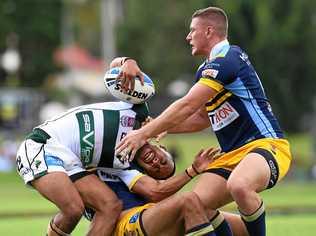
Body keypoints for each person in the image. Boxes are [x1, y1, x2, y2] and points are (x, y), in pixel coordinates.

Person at [116, 6, 292, 236]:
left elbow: (188, 104)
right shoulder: (205, 69)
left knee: (239, 185)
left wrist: (143, 133)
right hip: (230, 156)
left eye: (192, 31)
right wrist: (163, 127)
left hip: (265, 145)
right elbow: (201, 117)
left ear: (209, 31)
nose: (188, 37)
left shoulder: (229, 58)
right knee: (196, 205)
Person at [16, 99, 152, 236]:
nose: (155, 162)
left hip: (71, 159)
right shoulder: (136, 112)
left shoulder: (123, 158)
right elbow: (137, 93)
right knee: (73, 209)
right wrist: (154, 128)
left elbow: (154, 190)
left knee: (110, 206)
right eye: (163, 161)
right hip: (42, 145)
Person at [85, 147, 249, 236]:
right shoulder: (112, 146)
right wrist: (193, 170)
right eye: (163, 161)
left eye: (156, 171)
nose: (157, 164)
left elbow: (156, 192)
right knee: (188, 201)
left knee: (244, 227)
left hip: (148, 219)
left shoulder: (131, 169)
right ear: (160, 146)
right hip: (123, 225)